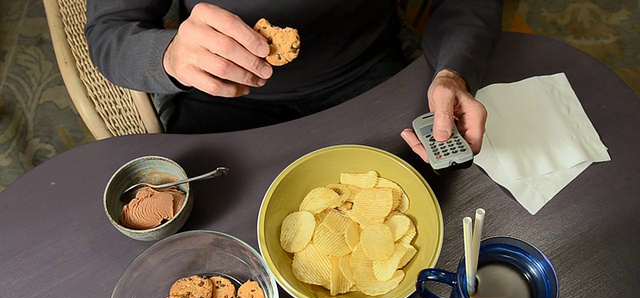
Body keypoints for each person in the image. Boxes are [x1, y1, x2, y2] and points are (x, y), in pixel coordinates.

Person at [85, 1, 502, 161]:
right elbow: (110, 31)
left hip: (365, 73)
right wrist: (168, 55)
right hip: (221, 94)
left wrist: (454, 71)